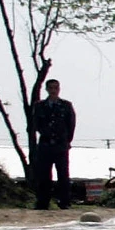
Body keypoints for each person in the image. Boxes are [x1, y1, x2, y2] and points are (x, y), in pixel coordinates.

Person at [31, 79, 77, 210]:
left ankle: (64, 202)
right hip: (45, 144)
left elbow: (71, 124)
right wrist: (45, 134)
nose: (53, 90)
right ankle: (43, 202)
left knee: (63, 174)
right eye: (50, 88)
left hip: (60, 144)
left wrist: (67, 140)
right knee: (44, 175)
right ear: (46, 89)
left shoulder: (66, 105)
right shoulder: (39, 106)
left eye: (55, 88)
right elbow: (36, 124)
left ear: (59, 89)